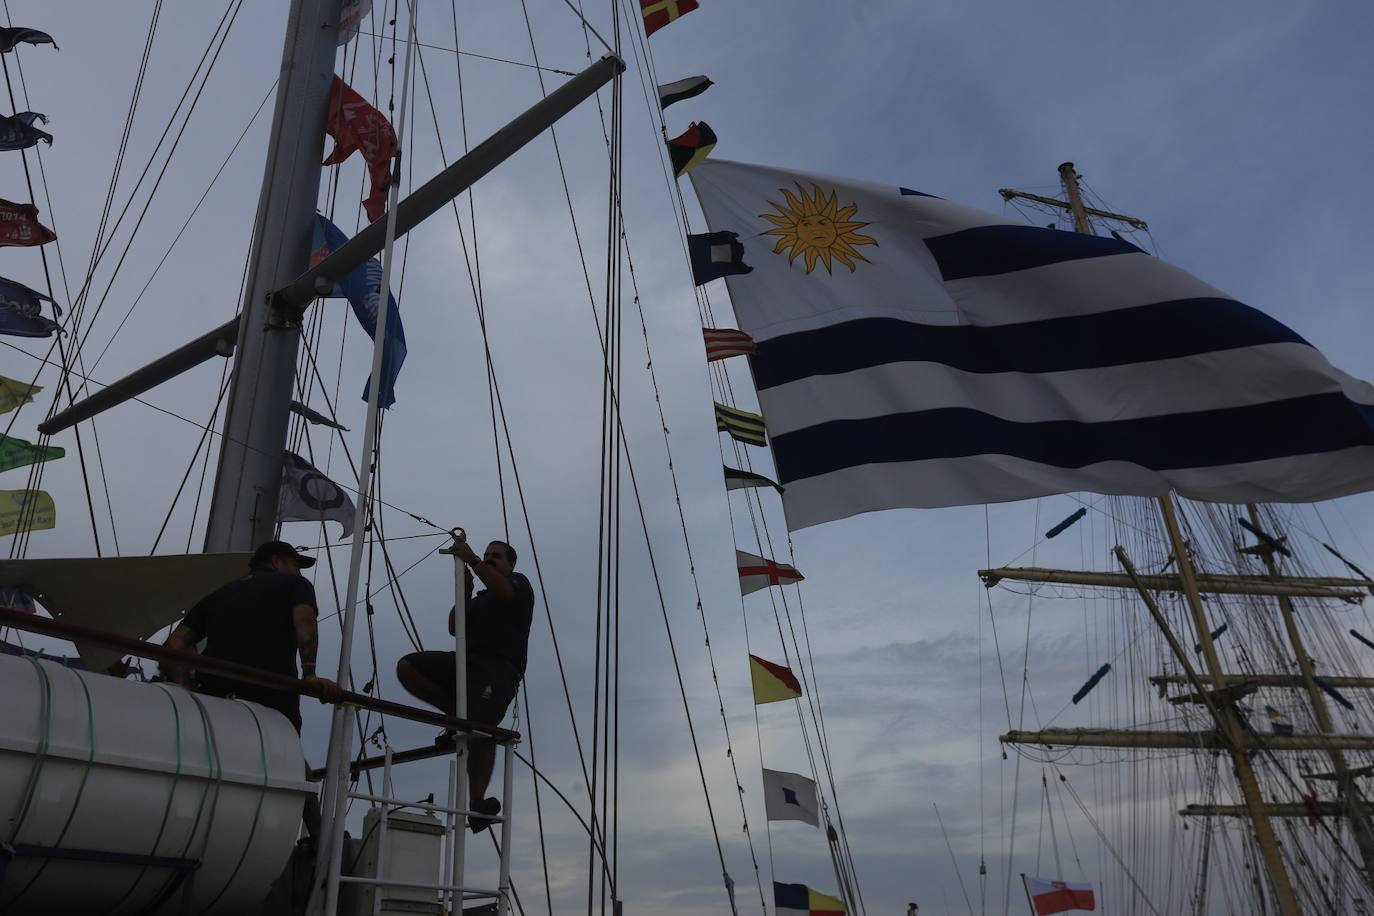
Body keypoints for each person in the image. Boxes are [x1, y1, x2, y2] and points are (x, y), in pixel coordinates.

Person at [163, 540, 340, 839]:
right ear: (276, 561)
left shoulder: (218, 595)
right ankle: (318, 839)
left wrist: (186, 687)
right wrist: (310, 675)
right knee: (290, 760)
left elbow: (173, 646)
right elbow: (305, 621)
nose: (299, 572)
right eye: (296, 565)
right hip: (270, 692)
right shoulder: (295, 586)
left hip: (214, 696)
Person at [396, 536, 534, 831]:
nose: (489, 558)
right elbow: (454, 626)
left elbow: (505, 592)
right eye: (487, 554)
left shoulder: (519, 584)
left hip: (498, 670)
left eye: (496, 556)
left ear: (511, 563)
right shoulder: (482, 598)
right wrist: (466, 590)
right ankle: (455, 717)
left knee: (481, 725)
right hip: (467, 664)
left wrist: (472, 559)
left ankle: (477, 804)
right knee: (408, 667)